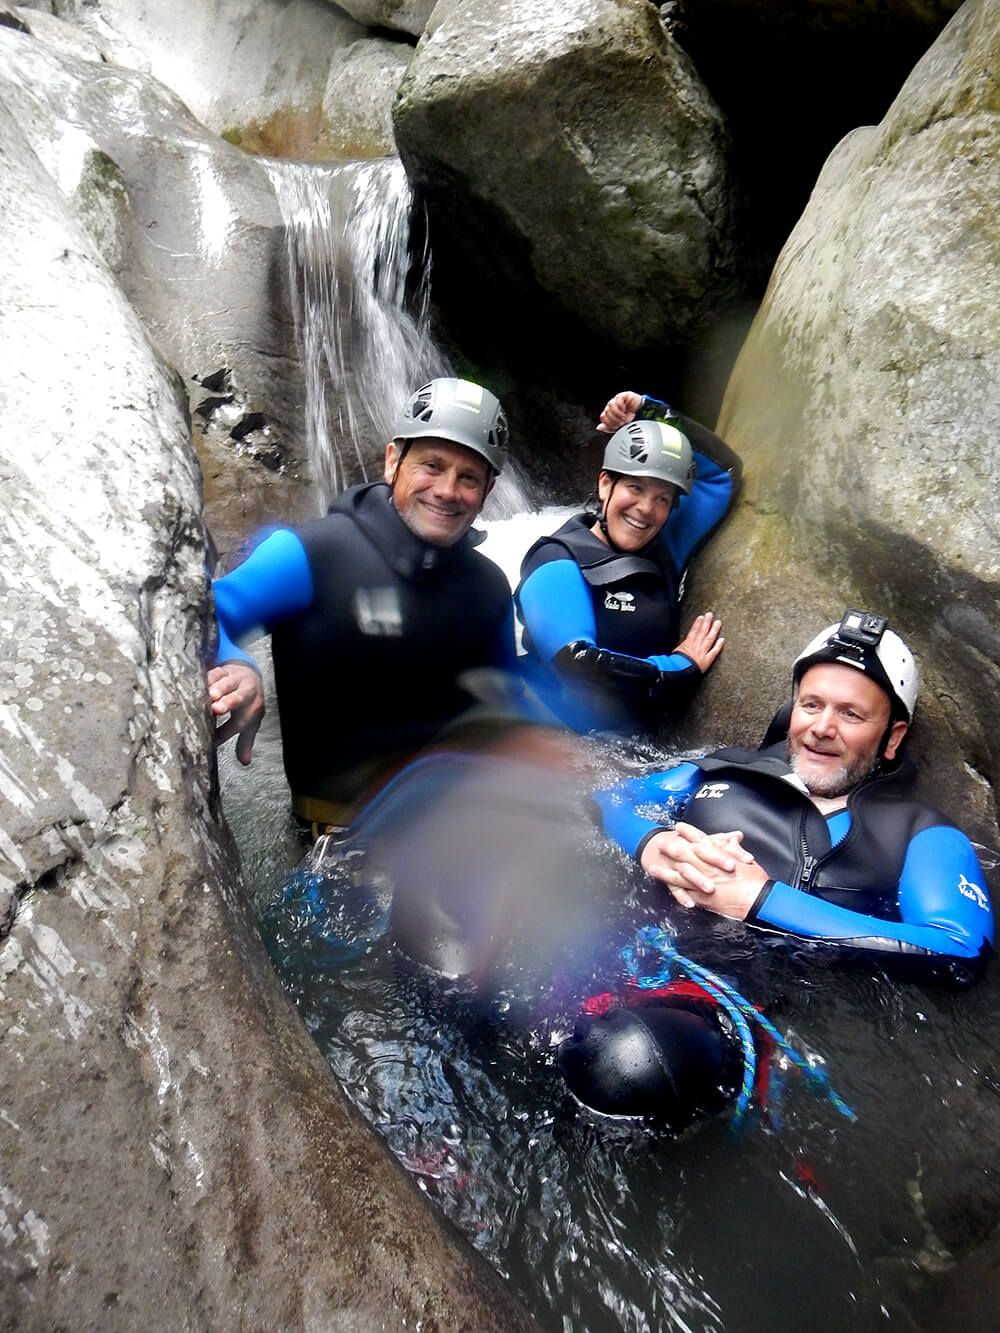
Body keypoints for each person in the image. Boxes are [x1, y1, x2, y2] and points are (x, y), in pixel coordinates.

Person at [594, 610, 994, 980]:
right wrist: (652, 842)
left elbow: (960, 949)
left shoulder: (916, 832)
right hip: (623, 956)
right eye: (811, 704)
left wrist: (761, 901)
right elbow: (604, 800)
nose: (821, 727)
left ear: (893, 738)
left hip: (758, 1008)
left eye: (850, 714)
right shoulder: (720, 770)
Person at [207, 377, 516, 828]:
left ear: (487, 492)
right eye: (432, 466)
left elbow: (505, 709)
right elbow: (200, 612)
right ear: (394, 462)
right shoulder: (311, 554)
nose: (448, 491)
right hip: (335, 846)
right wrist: (239, 667)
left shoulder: (489, 588)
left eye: (468, 477)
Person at [514, 390, 742, 733]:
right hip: (554, 740)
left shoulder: (664, 545)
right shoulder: (555, 562)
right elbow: (579, 665)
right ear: (605, 484)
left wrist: (650, 412)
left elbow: (723, 472)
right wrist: (680, 666)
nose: (646, 509)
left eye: (662, 497)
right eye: (634, 488)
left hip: (632, 744)